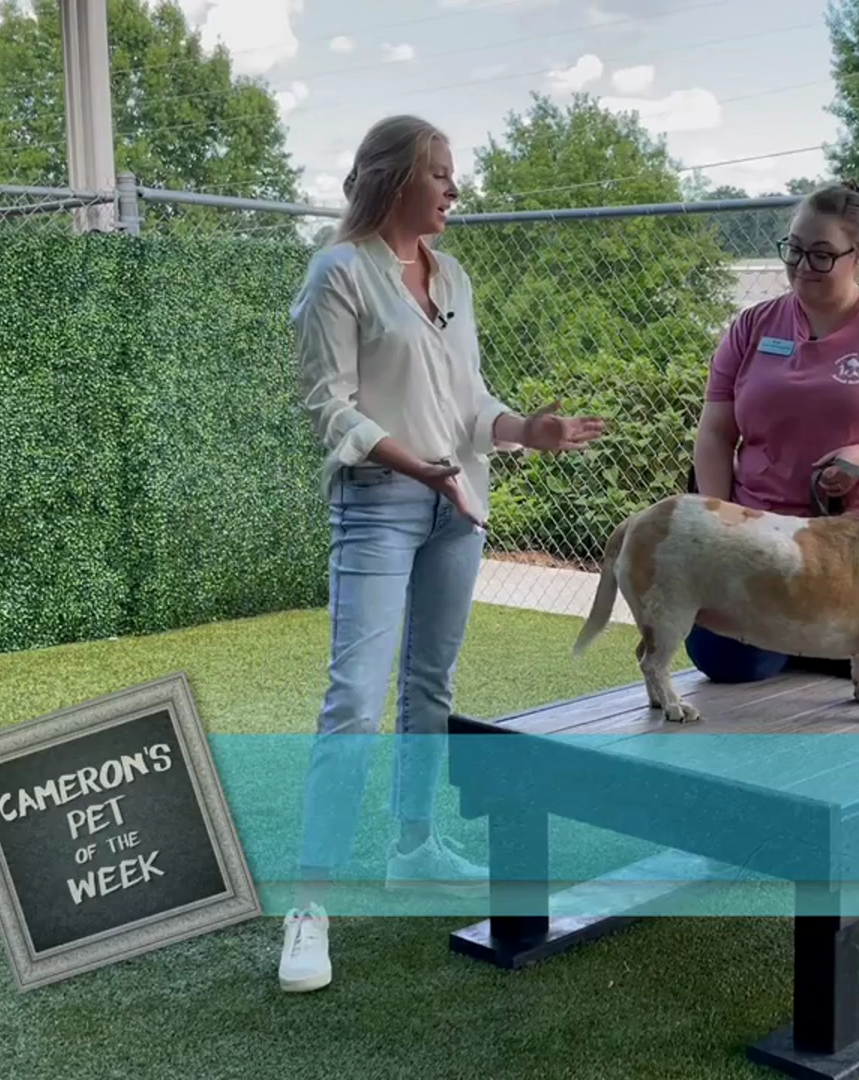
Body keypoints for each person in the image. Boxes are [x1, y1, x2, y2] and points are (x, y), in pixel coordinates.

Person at [278, 114, 605, 993]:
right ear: (394, 179)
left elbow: (470, 404)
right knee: (354, 701)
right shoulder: (339, 273)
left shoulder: (452, 275)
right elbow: (329, 407)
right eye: (440, 174)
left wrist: (527, 430)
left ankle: (414, 848)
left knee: (431, 685)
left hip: (458, 508)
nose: (455, 189)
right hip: (380, 507)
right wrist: (413, 465)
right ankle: (308, 905)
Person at [688, 179, 859, 683]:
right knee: (725, 662)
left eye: (821, 254)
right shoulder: (752, 326)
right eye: (793, 249)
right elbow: (715, 433)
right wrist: (719, 520)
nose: (801, 266)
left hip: (854, 549)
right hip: (759, 536)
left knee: (849, 670)